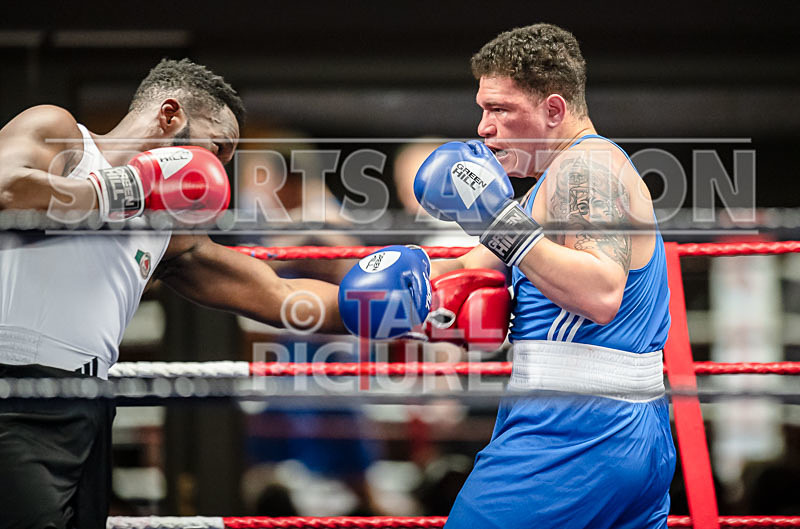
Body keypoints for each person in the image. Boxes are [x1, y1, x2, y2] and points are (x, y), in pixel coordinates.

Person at [341, 24, 676, 528]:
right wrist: (391, 279)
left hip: (575, 435)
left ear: (554, 110)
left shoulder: (584, 169)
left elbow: (601, 291)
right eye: (482, 109)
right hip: (620, 430)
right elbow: (472, 269)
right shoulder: (551, 183)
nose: (483, 127)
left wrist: (497, 221)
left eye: (500, 110)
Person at [0, 58, 343, 529]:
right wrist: (127, 189)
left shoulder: (165, 231)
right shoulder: (62, 136)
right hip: (14, 390)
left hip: (87, 407)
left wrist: (407, 307)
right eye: (217, 147)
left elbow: (277, 291)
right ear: (169, 115)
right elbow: (6, 188)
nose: (218, 169)